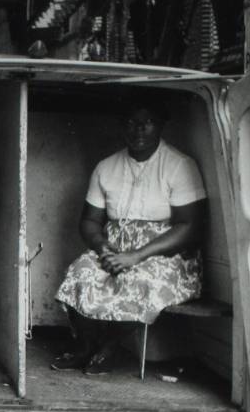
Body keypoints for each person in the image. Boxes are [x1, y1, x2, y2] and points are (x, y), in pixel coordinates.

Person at [53, 100, 207, 375]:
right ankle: (86, 346)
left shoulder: (180, 165)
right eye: (131, 122)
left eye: (147, 122)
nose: (139, 130)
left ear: (160, 124)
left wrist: (136, 256)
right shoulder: (106, 167)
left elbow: (189, 227)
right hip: (114, 248)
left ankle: (110, 347)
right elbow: (89, 221)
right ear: (122, 125)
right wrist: (103, 248)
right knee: (80, 272)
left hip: (166, 254)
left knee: (138, 280)